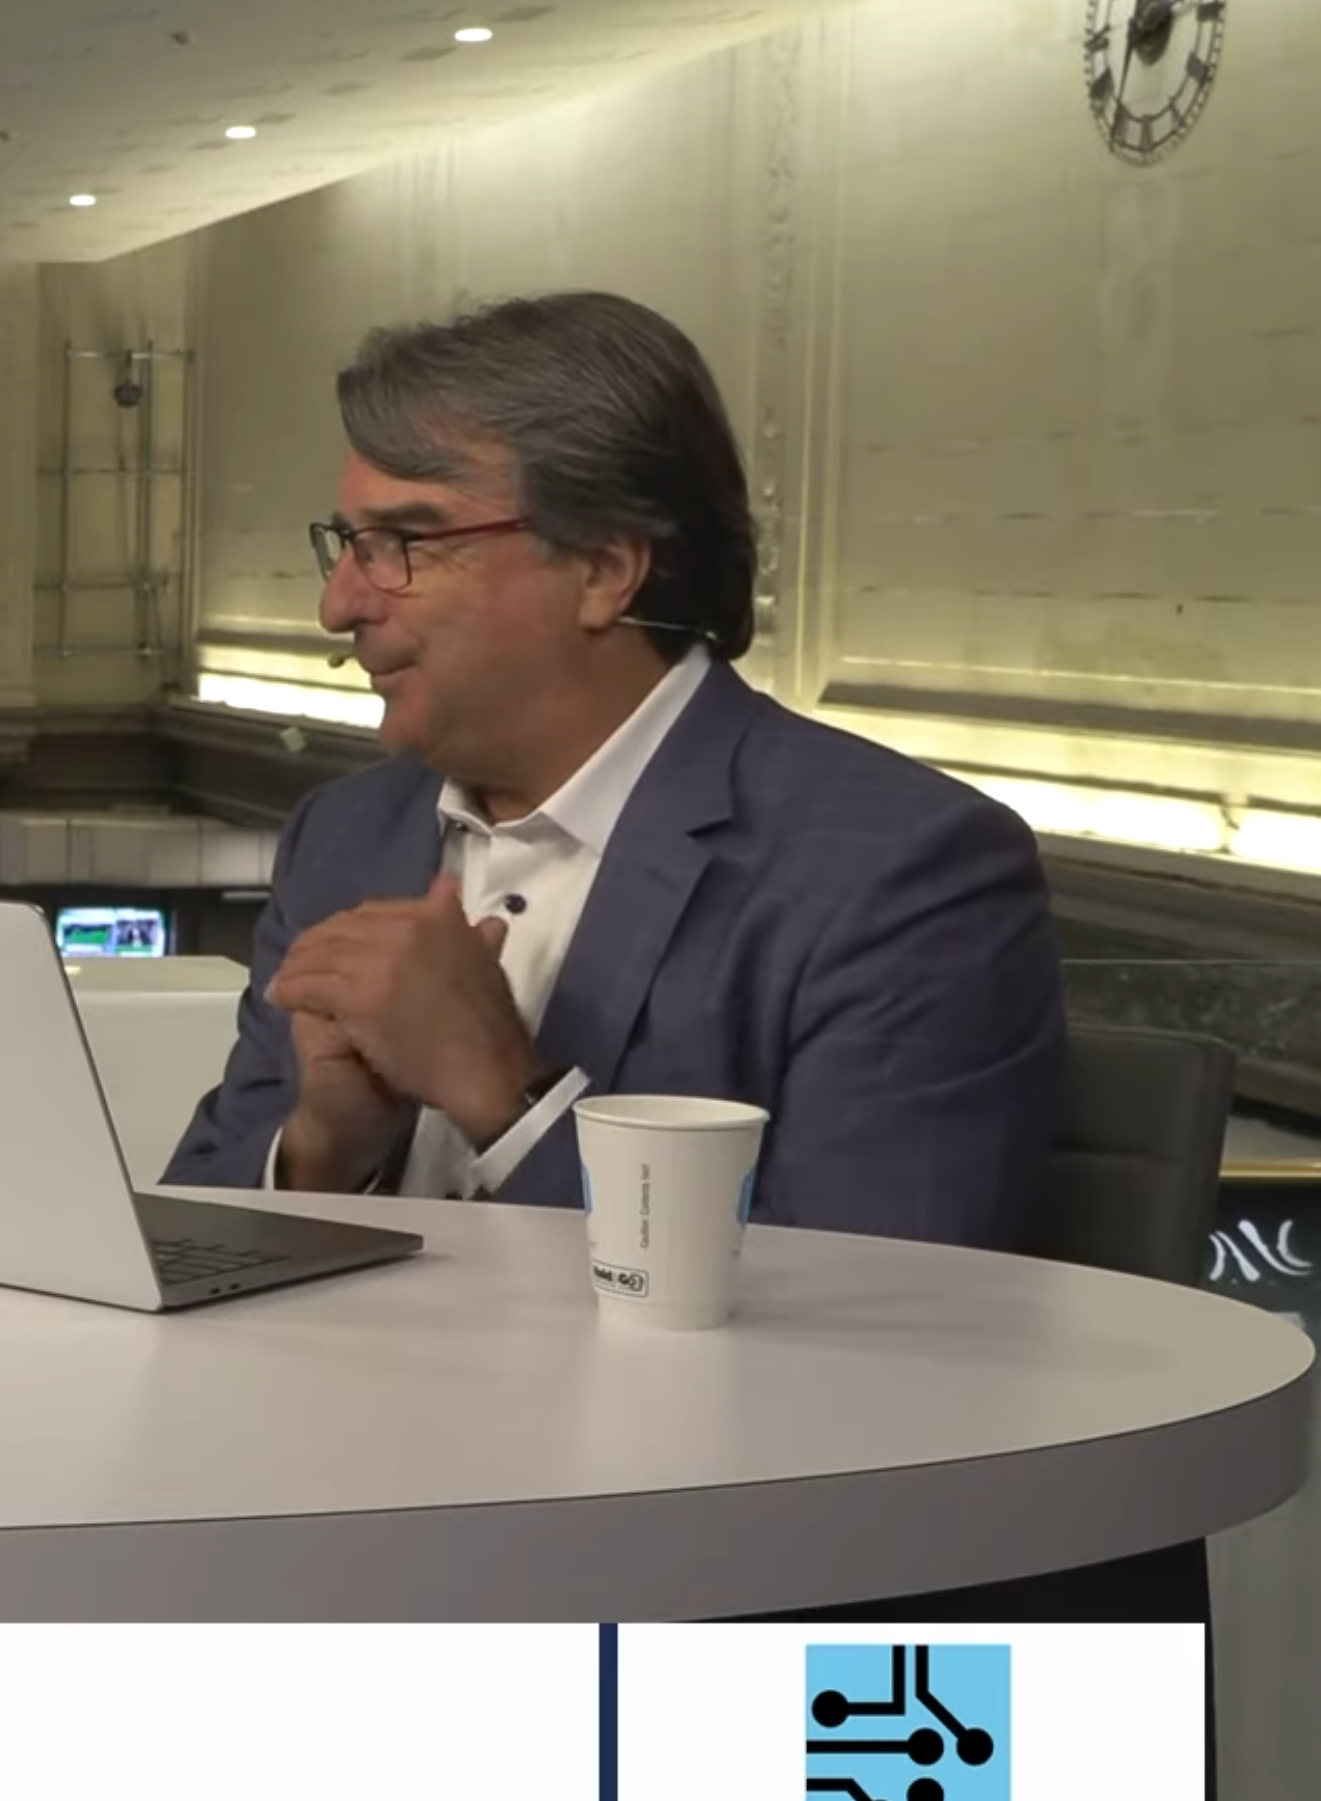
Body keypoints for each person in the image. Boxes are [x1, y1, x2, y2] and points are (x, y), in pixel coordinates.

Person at [159, 290, 1065, 1252]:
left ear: (602, 570)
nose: (337, 607)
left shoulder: (897, 872)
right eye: (346, 546)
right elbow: (192, 1231)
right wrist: (324, 1150)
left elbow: (878, 1316)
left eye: (401, 546)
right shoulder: (344, 837)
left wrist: (510, 1098)